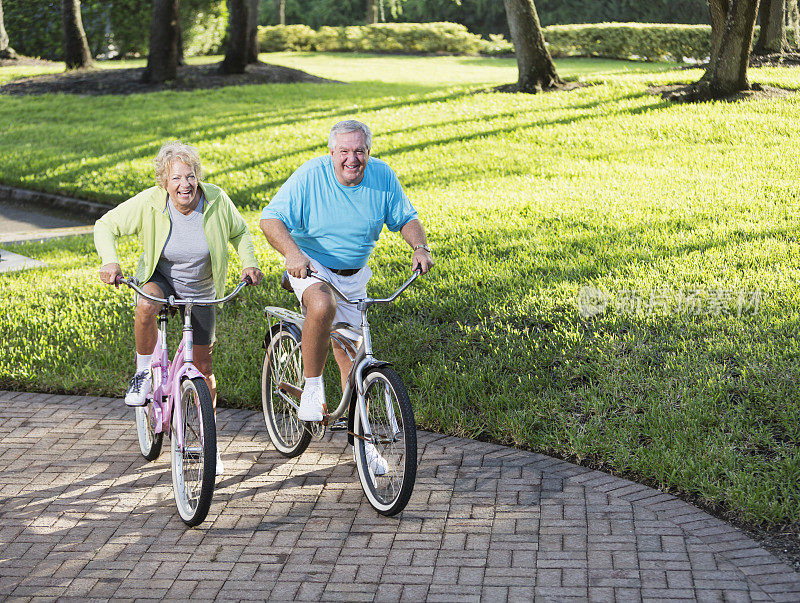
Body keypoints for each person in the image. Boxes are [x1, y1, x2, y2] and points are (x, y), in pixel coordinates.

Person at [259, 120, 433, 472]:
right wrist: (293, 255)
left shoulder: (382, 177)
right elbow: (270, 219)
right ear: (332, 153)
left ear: (368, 152)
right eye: (344, 151)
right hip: (312, 267)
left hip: (355, 276)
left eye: (359, 151)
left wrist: (420, 246)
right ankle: (311, 390)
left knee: (352, 359)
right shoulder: (311, 176)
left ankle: (365, 449)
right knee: (323, 304)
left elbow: (406, 218)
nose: (351, 159)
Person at [94, 140, 263, 474]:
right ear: (164, 182)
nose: (185, 184)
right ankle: (143, 372)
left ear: (197, 176)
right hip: (163, 280)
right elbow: (106, 225)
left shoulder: (215, 199)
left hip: (202, 289)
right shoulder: (150, 202)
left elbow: (241, 232)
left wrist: (249, 262)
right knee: (145, 304)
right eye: (176, 179)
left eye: (190, 176)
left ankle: (205, 437)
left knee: (203, 365)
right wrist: (110, 261)